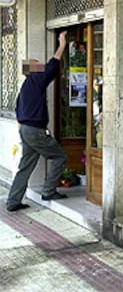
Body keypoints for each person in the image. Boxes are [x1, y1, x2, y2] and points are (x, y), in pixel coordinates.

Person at [6, 31, 69, 212]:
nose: (41, 65)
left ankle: (12, 201)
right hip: (34, 130)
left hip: (25, 129)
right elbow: (53, 64)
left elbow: (18, 111)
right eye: (37, 63)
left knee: (25, 167)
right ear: (32, 68)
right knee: (59, 156)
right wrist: (62, 44)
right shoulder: (37, 79)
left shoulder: (25, 87)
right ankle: (48, 191)